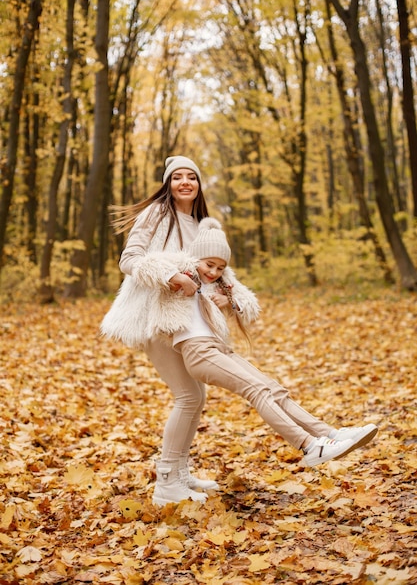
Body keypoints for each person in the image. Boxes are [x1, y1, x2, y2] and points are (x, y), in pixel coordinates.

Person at [110, 216, 377, 506]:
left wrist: (231, 303)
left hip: (218, 348)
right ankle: (309, 445)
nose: (213, 271)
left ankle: (331, 435)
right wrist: (177, 278)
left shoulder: (218, 284)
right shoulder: (180, 268)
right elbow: (145, 265)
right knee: (256, 390)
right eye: (208, 264)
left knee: (273, 387)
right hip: (198, 352)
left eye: (220, 267)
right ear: (195, 257)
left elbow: (248, 302)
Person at [101, 155, 220, 506]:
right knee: (187, 396)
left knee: (196, 396)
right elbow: (129, 259)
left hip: (186, 319)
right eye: (177, 177)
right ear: (168, 184)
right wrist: (168, 275)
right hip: (154, 315)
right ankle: (166, 483)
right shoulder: (157, 213)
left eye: (191, 177)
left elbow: (207, 273)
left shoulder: (201, 225)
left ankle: (180, 473)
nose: (185, 182)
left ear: (199, 185)